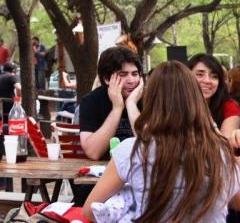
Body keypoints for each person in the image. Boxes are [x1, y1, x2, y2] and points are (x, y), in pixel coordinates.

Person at [83, 61, 240, 222]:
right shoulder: (221, 150)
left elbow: (90, 210)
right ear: (196, 99)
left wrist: (130, 195)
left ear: (151, 100)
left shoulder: (132, 150)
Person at [79, 46, 143, 161]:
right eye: (123, 74)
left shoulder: (151, 99)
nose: (131, 81)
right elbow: (93, 152)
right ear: (107, 79)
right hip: (104, 171)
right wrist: (117, 108)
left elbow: (151, 147)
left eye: (135, 74)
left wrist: (131, 104)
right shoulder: (91, 101)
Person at [188, 53, 240, 148]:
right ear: (186, 77)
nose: (207, 81)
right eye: (200, 74)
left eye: (214, 76)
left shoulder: (229, 106)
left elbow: (225, 146)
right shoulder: (176, 105)